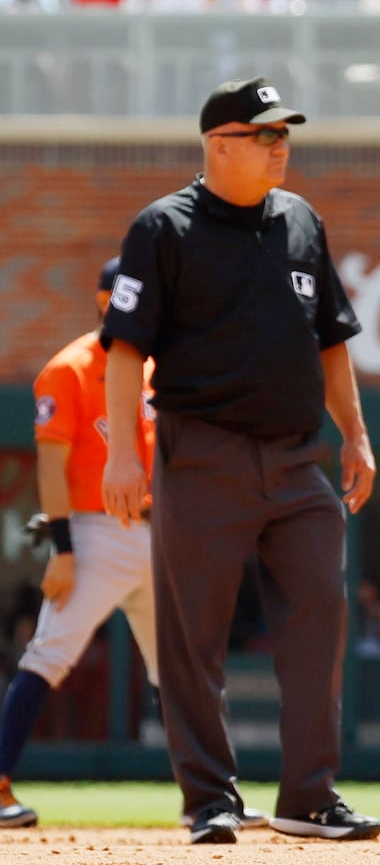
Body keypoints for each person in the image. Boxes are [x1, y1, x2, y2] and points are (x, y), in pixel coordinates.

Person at [100, 77, 380, 846]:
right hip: (202, 455)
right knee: (194, 642)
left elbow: (331, 341)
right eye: (262, 132)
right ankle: (210, 801)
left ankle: (308, 797)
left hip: (299, 463)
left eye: (283, 131)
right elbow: (124, 352)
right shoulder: (163, 228)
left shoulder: (301, 221)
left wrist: (354, 435)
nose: (279, 143)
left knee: (319, 621)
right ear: (218, 143)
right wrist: (122, 455)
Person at [0, 262, 251, 831]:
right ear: (105, 298)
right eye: (132, 296)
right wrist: (62, 548)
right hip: (94, 534)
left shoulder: (156, 371)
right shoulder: (69, 367)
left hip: (157, 534)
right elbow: (50, 466)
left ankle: (214, 799)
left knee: (184, 673)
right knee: (49, 656)